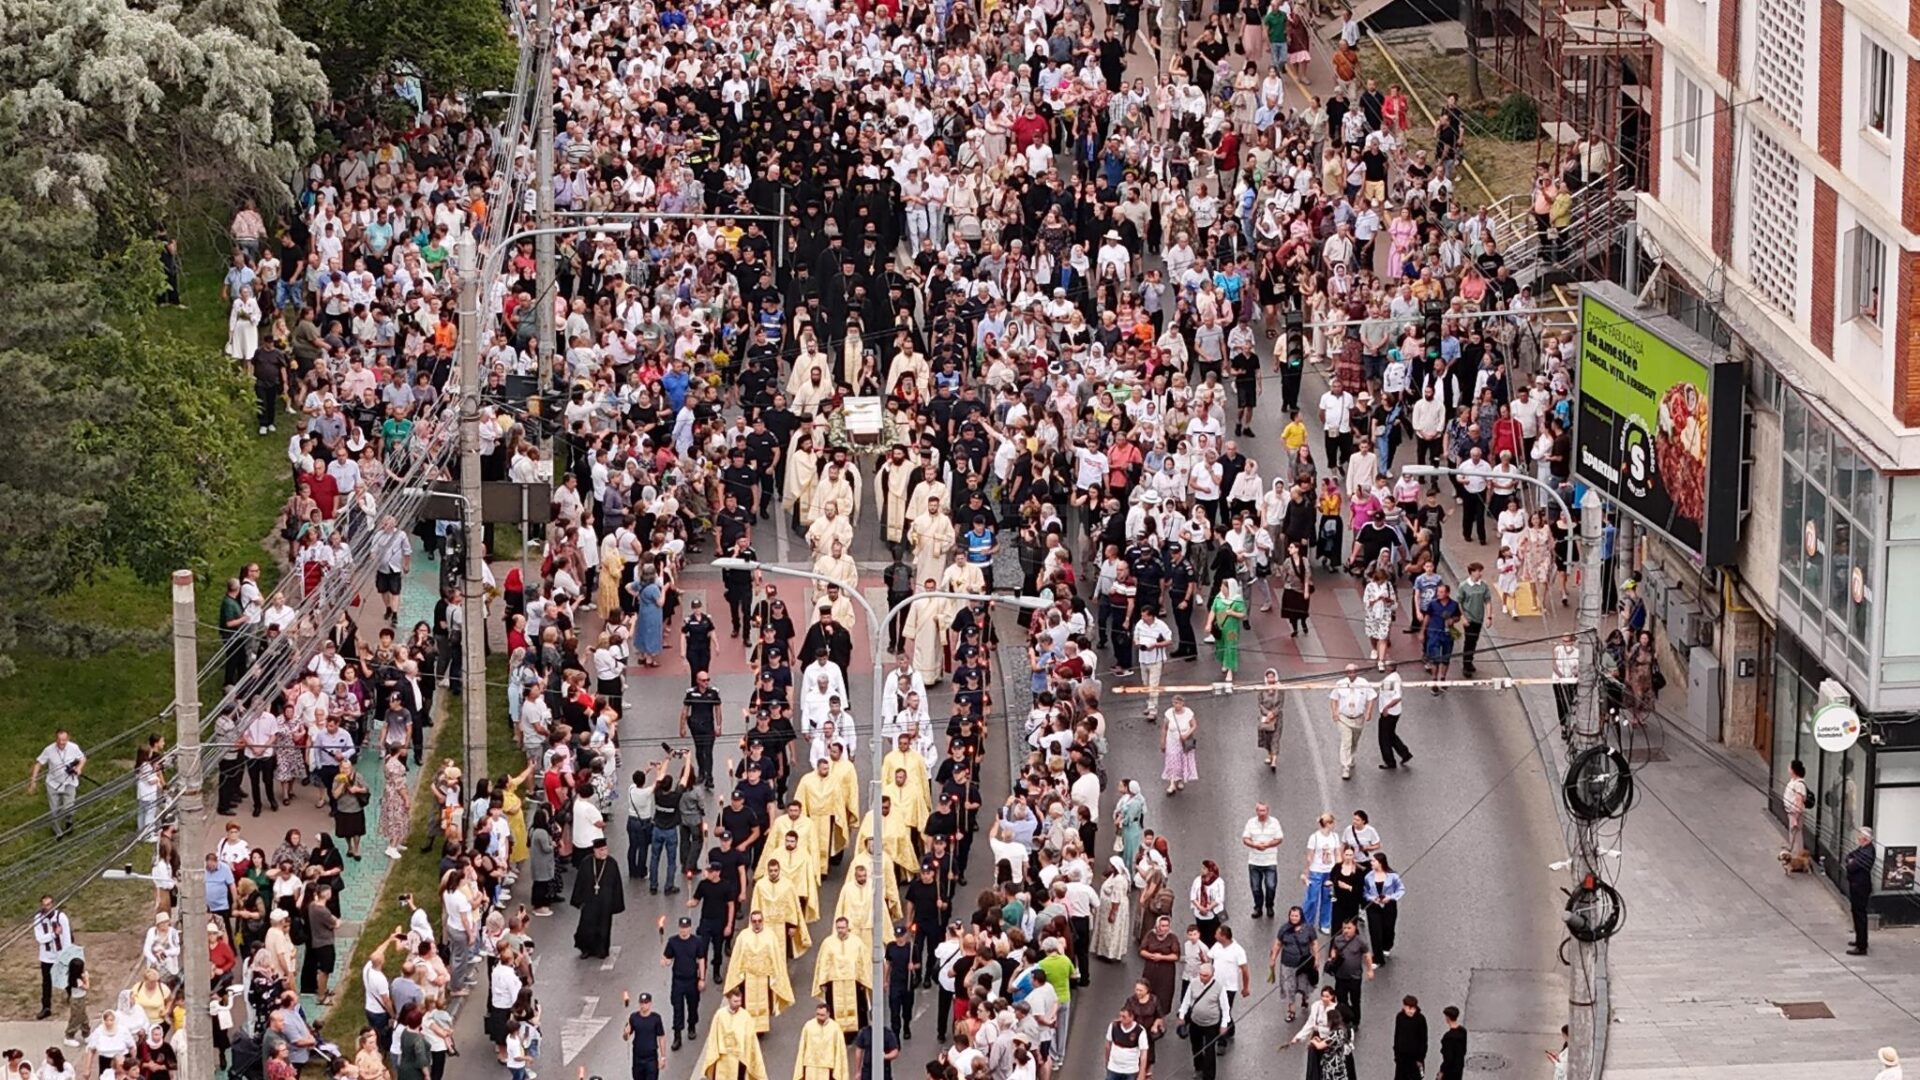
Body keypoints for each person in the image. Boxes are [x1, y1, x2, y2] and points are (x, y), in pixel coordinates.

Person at [571, 837, 626, 959]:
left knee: (603, 926)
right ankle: (586, 949)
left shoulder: (612, 864)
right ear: (595, 851)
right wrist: (578, 900)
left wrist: (615, 904)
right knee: (586, 926)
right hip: (590, 901)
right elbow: (580, 882)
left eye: (605, 849)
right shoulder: (586, 863)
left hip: (605, 903)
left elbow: (617, 885)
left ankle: (601, 950)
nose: (604, 852)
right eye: (601, 850)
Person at [1174, 962, 1230, 1080]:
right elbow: (1186, 1000)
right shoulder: (1193, 983)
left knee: (1209, 1051)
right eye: (1200, 974)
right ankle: (1198, 1069)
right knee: (1196, 1047)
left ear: (1212, 975)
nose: (1202, 977)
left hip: (1212, 1024)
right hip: (1195, 1022)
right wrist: (1182, 1015)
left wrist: (1224, 1024)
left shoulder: (1219, 987)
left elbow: (1225, 1008)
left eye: (1205, 975)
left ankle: (1209, 1076)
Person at [695, 990, 767, 1080]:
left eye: (740, 1001)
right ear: (729, 1000)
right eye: (735, 1001)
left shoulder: (745, 1016)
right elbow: (713, 1037)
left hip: (739, 1059)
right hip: (722, 1059)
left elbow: (751, 1039)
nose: (738, 1004)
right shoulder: (720, 1015)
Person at [29, 731, 86, 839]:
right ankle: (57, 831)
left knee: (69, 808)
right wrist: (33, 781)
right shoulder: (49, 750)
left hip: (70, 783)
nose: (61, 742)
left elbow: (82, 758)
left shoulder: (73, 747)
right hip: (53, 784)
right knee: (54, 810)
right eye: (59, 740)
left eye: (64, 740)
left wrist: (79, 768)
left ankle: (69, 821)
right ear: (56, 739)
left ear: (68, 738)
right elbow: (38, 764)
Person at [661, 917, 707, 1050]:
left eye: (686, 927)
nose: (683, 930)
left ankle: (691, 1025)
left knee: (693, 1005)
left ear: (690, 928)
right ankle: (677, 1036)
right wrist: (665, 962)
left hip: (692, 980)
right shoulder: (673, 942)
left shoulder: (696, 942)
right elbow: (668, 959)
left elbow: (701, 960)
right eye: (681, 927)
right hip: (678, 980)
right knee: (677, 1007)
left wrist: (702, 979)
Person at [1328, 666, 1377, 781]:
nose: (1351, 674)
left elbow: (1372, 697)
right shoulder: (1340, 683)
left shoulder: (1363, 683)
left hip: (1358, 718)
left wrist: (1369, 712)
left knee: (1354, 741)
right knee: (1346, 741)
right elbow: (1333, 698)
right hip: (1343, 718)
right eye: (1349, 672)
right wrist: (1334, 712)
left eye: (1354, 672)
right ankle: (1345, 766)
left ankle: (1351, 756)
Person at [1242, 804, 1284, 918]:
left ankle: (1269, 905)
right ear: (1256, 811)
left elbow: (1279, 838)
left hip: (1270, 861)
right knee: (1255, 888)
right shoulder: (1251, 822)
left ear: (1267, 811)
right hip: (1254, 861)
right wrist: (1254, 845)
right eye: (1260, 810)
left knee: (1271, 886)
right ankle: (1258, 907)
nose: (1262, 813)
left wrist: (1268, 844)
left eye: (1264, 810)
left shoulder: (1274, 822)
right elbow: (1245, 838)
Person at [33, 897, 73, 1021]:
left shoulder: (61, 917)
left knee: (64, 977)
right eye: (45, 905)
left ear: (53, 904)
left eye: (49, 904)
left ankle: (72, 995)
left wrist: (67, 954)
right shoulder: (38, 919)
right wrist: (53, 934)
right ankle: (46, 1007)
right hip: (46, 956)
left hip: (60, 954)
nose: (47, 907)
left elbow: (66, 936)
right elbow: (40, 938)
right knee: (46, 982)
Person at [793, 1000, 850, 1080]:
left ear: (828, 1014)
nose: (819, 1017)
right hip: (811, 1065)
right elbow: (802, 1047)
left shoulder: (835, 1028)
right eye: (818, 1014)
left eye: (822, 1015)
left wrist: (837, 1068)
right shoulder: (808, 1026)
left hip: (828, 1066)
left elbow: (840, 1050)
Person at [1365, 853, 1406, 959]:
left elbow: (1400, 890)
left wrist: (1390, 897)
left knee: (1388, 928)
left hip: (1389, 906)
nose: (1371, 863)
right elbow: (1365, 892)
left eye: (1373, 861)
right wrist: (1372, 898)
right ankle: (1377, 955)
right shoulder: (1368, 877)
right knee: (1375, 930)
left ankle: (1387, 946)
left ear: (1380, 862)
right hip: (1374, 906)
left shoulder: (1393, 876)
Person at [622, 991, 668, 1080]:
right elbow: (626, 1038)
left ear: (650, 1003)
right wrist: (625, 1032)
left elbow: (661, 1037)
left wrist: (663, 1057)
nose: (643, 1005)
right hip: (637, 1057)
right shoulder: (633, 1017)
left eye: (646, 1003)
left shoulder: (656, 1018)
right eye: (641, 1003)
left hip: (651, 1058)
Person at [1846, 826, 1876, 955]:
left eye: (1860, 837)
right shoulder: (1863, 849)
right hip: (1856, 885)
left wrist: (1851, 862)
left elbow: (1852, 866)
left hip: (1861, 887)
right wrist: (1850, 860)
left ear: (1865, 839)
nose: (1858, 839)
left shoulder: (1868, 852)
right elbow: (1849, 856)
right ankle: (1859, 939)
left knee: (1860, 915)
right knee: (1856, 913)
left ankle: (1862, 945)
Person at [1161, 696, 1199, 795]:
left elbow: (1194, 725)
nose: (1175, 705)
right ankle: (1172, 783)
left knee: (1182, 760)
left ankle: (1181, 779)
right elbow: (1164, 728)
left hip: (1184, 741)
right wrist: (1163, 741)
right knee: (1172, 761)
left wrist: (1186, 734)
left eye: (1178, 703)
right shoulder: (1169, 713)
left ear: (1183, 703)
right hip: (1172, 741)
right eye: (1174, 703)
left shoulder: (1188, 713)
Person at [1782, 759, 1811, 865]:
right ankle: (1794, 856)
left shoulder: (1799, 784)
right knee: (1793, 835)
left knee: (1796, 836)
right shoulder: (1793, 781)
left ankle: (1797, 859)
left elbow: (1798, 801)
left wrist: (1795, 817)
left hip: (1795, 813)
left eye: (1789, 767)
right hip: (1791, 812)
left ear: (1793, 770)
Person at [1393, 996, 1429, 1080]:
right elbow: (1397, 1035)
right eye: (1408, 1008)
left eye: (1413, 1008)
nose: (1411, 1011)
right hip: (1402, 1057)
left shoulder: (1420, 1019)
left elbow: (1423, 1040)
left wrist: (1420, 1058)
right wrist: (1396, 1053)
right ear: (1404, 1007)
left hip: (1415, 1058)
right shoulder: (1400, 1017)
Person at [1437, 1005, 1468, 1080]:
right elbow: (1464, 1050)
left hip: (1450, 1072)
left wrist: (1442, 1072)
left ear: (1447, 1018)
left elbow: (1448, 1059)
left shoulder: (1448, 1037)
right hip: (1459, 1067)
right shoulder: (1463, 1031)